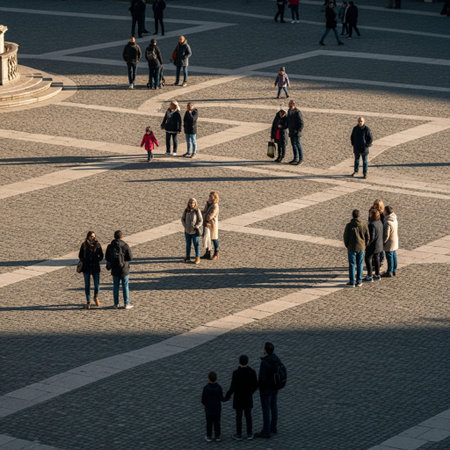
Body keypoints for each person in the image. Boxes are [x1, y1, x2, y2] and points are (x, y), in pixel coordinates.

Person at [225, 355, 258, 441]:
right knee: (248, 415)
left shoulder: (236, 373)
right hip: (248, 397)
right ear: (247, 362)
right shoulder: (252, 372)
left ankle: (239, 434)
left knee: (238, 416)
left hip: (238, 398)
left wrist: (227, 396)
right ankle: (249, 433)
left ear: (239, 362)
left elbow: (233, 387)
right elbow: (255, 385)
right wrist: (250, 392)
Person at [255, 342, 283, 439]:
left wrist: (257, 387)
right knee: (273, 406)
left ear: (265, 350)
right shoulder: (276, 359)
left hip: (266, 390)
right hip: (275, 387)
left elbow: (261, 378)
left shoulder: (265, 362)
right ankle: (273, 427)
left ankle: (266, 431)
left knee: (266, 409)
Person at [105, 230, 134, 309]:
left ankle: (116, 304)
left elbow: (107, 257)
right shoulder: (125, 245)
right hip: (124, 268)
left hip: (114, 269)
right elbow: (130, 257)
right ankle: (126, 303)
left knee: (115, 286)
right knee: (125, 286)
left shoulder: (110, 246)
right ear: (121, 236)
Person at [343, 209, 369, 287]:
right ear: (359, 215)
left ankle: (352, 281)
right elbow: (367, 236)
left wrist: (347, 245)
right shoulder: (364, 224)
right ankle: (359, 281)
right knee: (360, 264)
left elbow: (345, 237)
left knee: (352, 264)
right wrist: (365, 245)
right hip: (361, 247)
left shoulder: (349, 225)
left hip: (352, 247)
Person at [79, 231, 104, 309]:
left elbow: (102, 255)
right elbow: (80, 255)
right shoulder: (84, 245)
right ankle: (88, 301)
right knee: (87, 285)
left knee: (97, 285)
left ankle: (95, 296)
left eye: (93, 236)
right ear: (88, 237)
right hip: (86, 268)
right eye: (91, 236)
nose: (92, 237)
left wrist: (97, 260)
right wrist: (85, 260)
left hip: (95, 267)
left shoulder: (98, 245)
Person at [201, 371, 225, 442]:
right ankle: (217, 436)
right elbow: (221, 398)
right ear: (216, 379)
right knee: (217, 422)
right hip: (217, 409)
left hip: (209, 409)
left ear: (208, 378)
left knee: (209, 423)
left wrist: (206, 404)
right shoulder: (219, 387)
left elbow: (203, 400)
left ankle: (209, 436)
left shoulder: (206, 388)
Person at [364, 209, 383, 282]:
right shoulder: (379, 222)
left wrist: (367, 244)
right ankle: (377, 274)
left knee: (368, 259)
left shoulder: (372, 225)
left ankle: (369, 275)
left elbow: (372, 237)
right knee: (377, 259)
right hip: (379, 245)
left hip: (373, 246)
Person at [181, 198, 203, 264]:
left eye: (193, 203)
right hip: (187, 231)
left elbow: (200, 220)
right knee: (188, 244)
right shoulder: (186, 210)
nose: (192, 204)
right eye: (190, 203)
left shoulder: (197, 210)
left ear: (195, 203)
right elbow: (182, 218)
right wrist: (185, 225)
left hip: (194, 231)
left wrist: (197, 226)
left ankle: (197, 257)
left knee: (196, 244)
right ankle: (187, 256)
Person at [201, 192, 220, 261]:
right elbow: (204, 211)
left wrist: (204, 217)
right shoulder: (208, 204)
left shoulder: (215, 206)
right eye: (209, 196)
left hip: (212, 224)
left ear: (215, 198)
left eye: (211, 197)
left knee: (214, 238)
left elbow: (210, 216)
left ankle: (216, 253)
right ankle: (207, 252)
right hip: (206, 224)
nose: (210, 198)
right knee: (207, 238)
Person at [382, 206, 399, 278]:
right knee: (394, 255)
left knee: (389, 257)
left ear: (386, 212)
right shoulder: (394, 219)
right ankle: (394, 270)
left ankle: (389, 271)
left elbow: (386, 235)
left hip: (389, 242)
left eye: (384, 211)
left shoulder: (387, 222)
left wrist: (383, 242)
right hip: (395, 240)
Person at [287, 99, 304, 165]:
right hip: (291, 131)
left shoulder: (297, 112)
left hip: (296, 132)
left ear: (294, 105)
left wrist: (298, 131)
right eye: (289, 104)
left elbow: (301, 123)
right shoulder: (289, 111)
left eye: (292, 104)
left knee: (298, 145)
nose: (290, 105)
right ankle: (295, 158)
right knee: (293, 145)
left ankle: (301, 159)